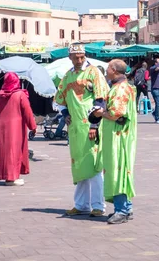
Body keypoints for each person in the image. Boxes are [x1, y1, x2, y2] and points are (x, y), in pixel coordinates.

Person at [55, 43, 110, 217]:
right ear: (70, 57)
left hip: (91, 126)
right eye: (76, 57)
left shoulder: (93, 72)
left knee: (94, 165)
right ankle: (81, 204)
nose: (79, 60)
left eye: (81, 57)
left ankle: (98, 205)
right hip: (75, 128)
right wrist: (65, 114)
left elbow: (101, 99)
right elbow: (59, 100)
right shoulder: (68, 76)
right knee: (79, 165)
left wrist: (94, 124)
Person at [93, 59, 137, 224]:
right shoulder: (127, 86)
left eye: (108, 68)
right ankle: (128, 207)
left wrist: (100, 113)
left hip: (118, 136)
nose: (106, 70)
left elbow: (116, 113)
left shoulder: (119, 89)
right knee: (123, 170)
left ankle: (121, 210)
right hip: (123, 134)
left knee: (117, 170)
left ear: (113, 69)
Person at [0, 72, 37, 186]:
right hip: (15, 127)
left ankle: (6, 175)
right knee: (14, 151)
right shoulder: (20, 95)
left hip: (0, 126)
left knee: (3, 151)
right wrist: (33, 126)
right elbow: (28, 112)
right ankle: (11, 178)